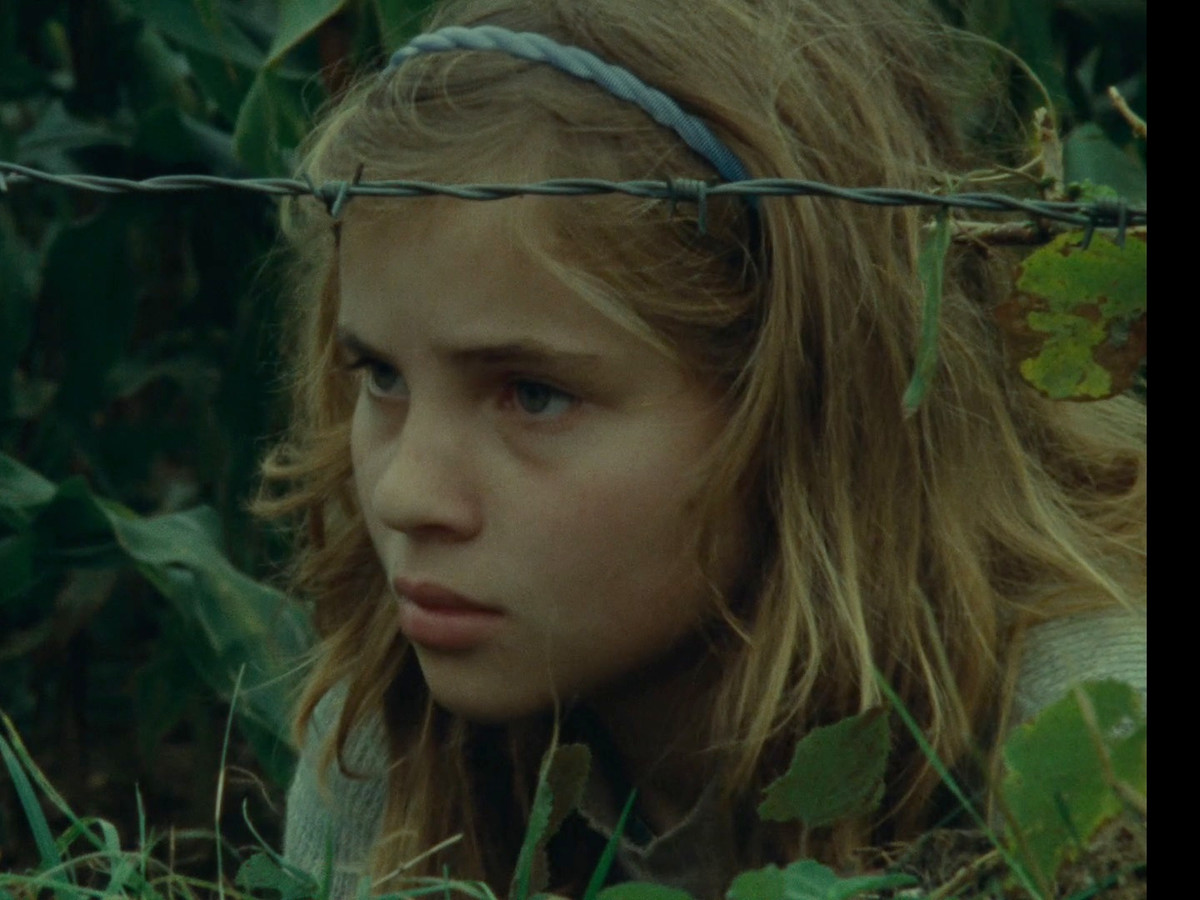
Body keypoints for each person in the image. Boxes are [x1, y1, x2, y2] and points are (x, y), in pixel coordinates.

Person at [252, 0, 1147, 896]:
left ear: (805, 398)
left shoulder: (1098, 744)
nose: (405, 494)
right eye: (382, 377)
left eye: (533, 395)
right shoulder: (393, 746)